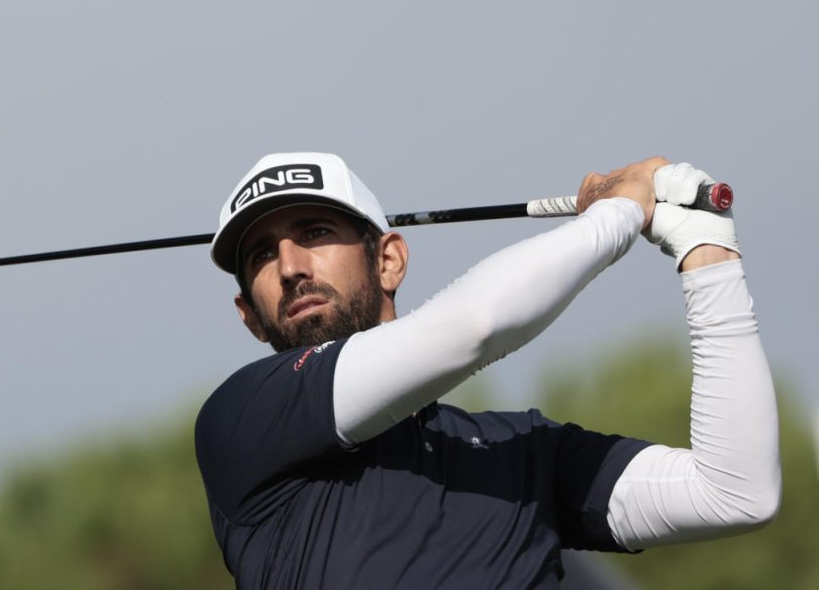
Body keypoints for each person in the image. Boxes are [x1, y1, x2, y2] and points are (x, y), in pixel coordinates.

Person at [193, 152, 780, 590]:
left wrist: (708, 253)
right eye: (261, 255)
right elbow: (474, 325)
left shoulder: (518, 451)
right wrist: (620, 212)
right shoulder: (242, 419)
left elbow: (735, 493)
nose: (291, 266)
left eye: (316, 232)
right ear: (249, 315)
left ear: (389, 260)